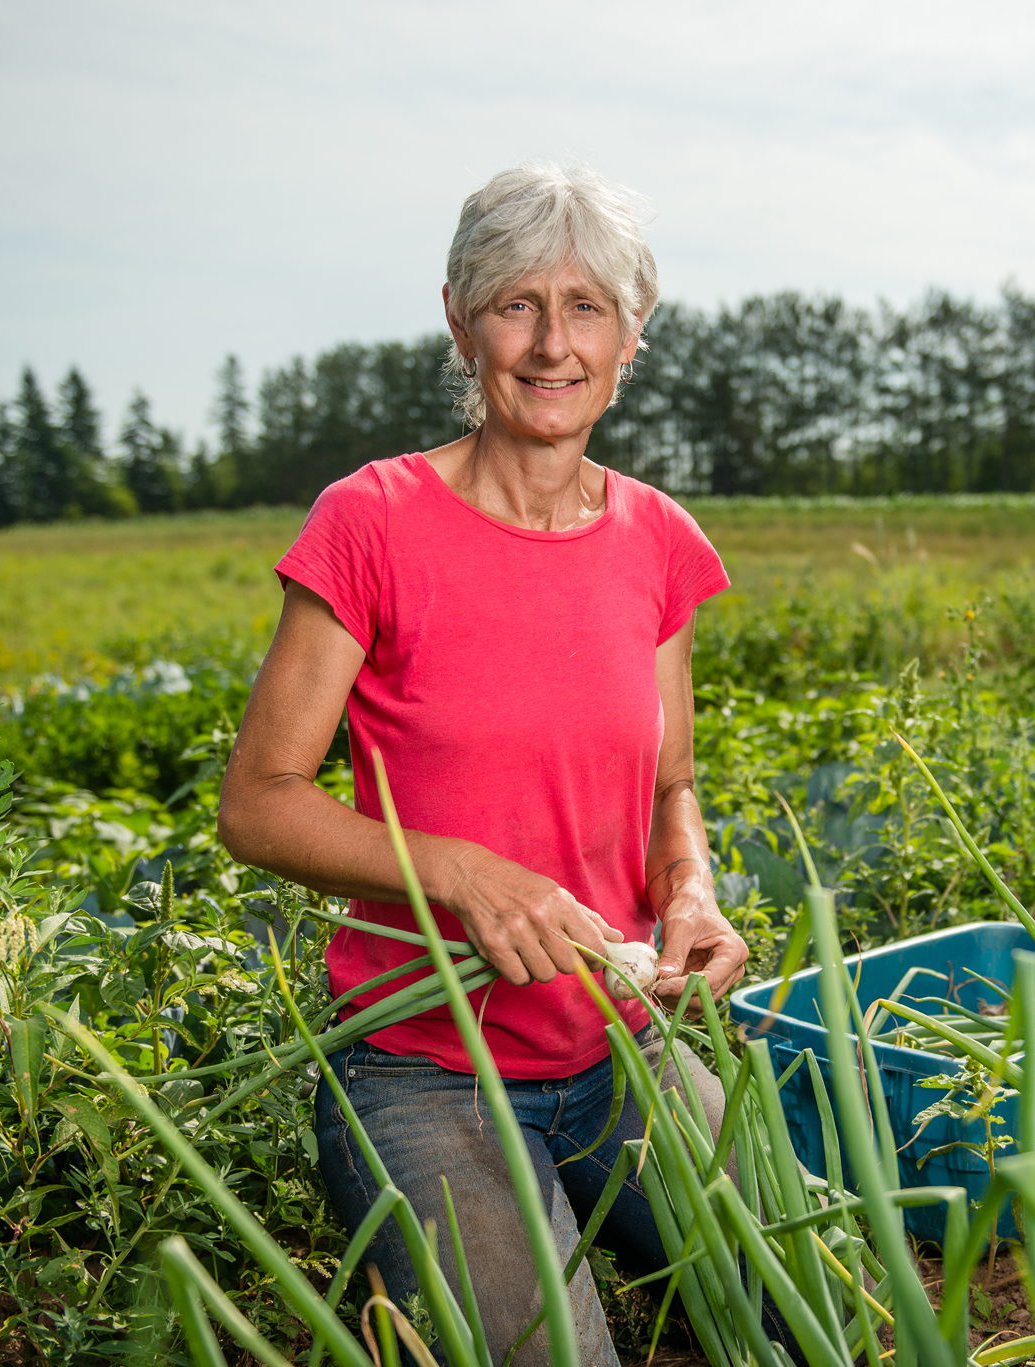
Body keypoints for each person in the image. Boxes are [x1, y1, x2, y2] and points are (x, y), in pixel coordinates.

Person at [217, 163, 752, 1366]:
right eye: (515, 304)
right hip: (423, 1068)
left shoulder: (659, 541)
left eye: (586, 307)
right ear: (460, 323)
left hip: (624, 1044)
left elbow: (670, 785)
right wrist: (457, 871)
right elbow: (257, 804)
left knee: (795, 1301)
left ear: (631, 334)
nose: (551, 343)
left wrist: (690, 892)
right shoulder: (373, 520)